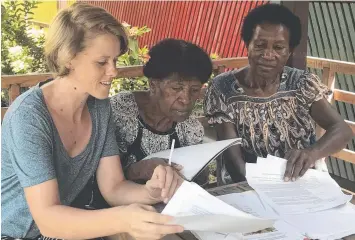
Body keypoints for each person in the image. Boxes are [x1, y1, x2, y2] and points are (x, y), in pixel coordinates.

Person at [1, 3, 184, 240]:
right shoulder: (29, 117)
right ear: (68, 58)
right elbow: (47, 220)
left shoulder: (98, 106)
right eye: (102, 62)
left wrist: (152, 192)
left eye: (115, 60)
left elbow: (114, 188)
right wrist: (123, 220)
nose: (114, 71)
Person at [204, 4, 353, 184]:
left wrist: (312, 153)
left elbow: (341, 130)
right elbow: (235, 163)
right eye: (259, 45)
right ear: (247, 45)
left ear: (289, 51)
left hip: (301, 182)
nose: (268, 55)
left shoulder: (301, 83)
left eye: (279, 47)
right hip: (246, 185)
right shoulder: (223, 88)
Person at [110, 38, 213, 185]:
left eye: (195, 90)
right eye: (176, 88)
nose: (186, 99)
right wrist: (136, 171)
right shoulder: (119, 111)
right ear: (153, 85)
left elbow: (200, 184)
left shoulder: (190, 130)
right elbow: (98, 179)